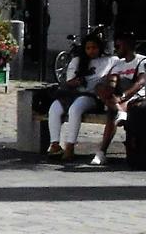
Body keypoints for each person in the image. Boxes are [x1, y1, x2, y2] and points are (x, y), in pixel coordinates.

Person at [45, 35, 115, 164]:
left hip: (92, 96)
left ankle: (70, 146)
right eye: (88, 48)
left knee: (75, 109)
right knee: (54, 108)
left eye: (94, 47)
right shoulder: (77, 61)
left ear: (100, 48)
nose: (91, 51)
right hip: (72, 94)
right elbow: (68, 82)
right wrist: (76, 82)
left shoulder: (109, 60)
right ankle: (54, 144)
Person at [93, 33, 146, 167]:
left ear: (127, 45)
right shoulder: (119, 64)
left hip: (140, 100)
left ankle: (101, 152)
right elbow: (112, 81)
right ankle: (119, 111)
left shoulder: (145, 62)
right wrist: (109, 88)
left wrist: (122, 96)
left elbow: (139, 84)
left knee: (112, 112)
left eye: (118, 46)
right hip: (118, 100)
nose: (115, 49)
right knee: (99, 87)